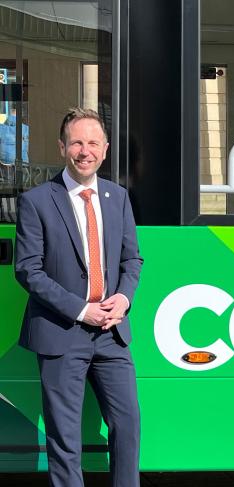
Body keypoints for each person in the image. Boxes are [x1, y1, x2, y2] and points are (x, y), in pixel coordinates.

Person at [14, 108, 143, 487]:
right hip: (61, 332)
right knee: (64, 436)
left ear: (104, 149)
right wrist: (80, 309)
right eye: (76, 142)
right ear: (62, 147)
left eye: (92, 143)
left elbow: (132, 257)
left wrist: (124, 298)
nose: (84, 150)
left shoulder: (117, 197)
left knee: (128, 425)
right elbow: (28, 270)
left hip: (112, 333)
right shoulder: (37, 201)